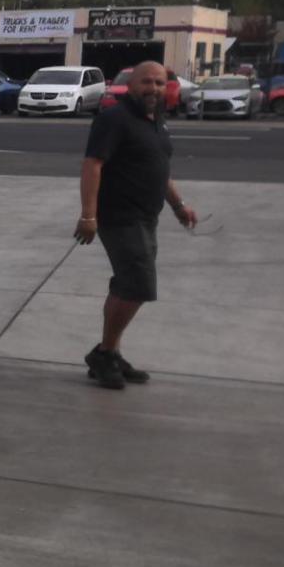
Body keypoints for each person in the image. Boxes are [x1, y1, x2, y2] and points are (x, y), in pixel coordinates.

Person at [73, 60, 197, 389]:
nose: (153, 89)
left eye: (160, 83)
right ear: (130, 84)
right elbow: (92, 165)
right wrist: (88, 215)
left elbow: (159, 167)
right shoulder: (114, 118)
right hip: (119, 217)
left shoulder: (156, 120)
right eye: (147, 82)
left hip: (146, 217)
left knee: (128, 285)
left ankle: (109, 352)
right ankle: (103, 353)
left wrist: (179, 205)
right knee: (137, 285)